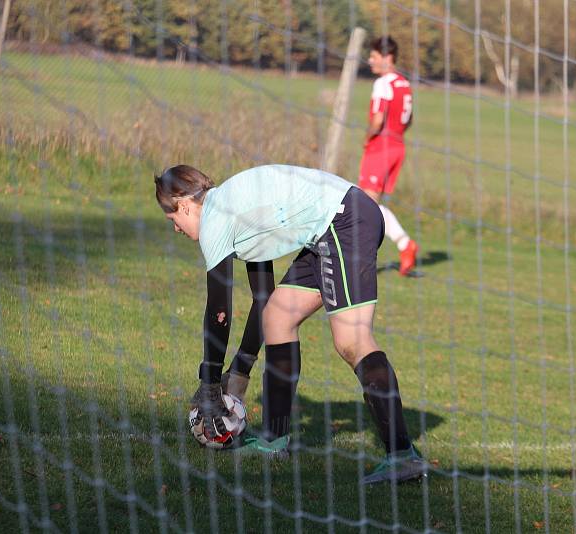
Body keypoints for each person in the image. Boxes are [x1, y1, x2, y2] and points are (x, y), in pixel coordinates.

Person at [154, 163, 426, 484]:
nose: (176, 228)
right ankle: (273, 441)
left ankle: (402, 455)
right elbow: (263, 297)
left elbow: (219, 312)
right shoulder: (232, 207)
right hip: (334, 223)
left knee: (352, 340)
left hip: (345, 220)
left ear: (184, 205)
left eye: (173, 219)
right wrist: (240, 370)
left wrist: (210, 385)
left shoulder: (215, 219)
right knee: (278, 316)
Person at [358, 35, 418, 276]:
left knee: (365, 205)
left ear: (387, 57)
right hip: (398, 145)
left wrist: (368, 137)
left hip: (381, 145)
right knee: (368, 202)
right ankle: (405, 244)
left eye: (373, 57)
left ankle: (363, 261)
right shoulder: (404, 84)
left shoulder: (383, 83)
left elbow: (378, 118)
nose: (370, 61)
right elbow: (409, 119)